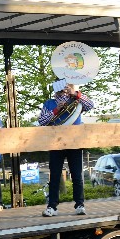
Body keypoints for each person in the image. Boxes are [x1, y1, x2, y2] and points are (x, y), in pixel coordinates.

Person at [38, 80, 95, 216]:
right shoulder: (49, 103)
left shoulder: (76, 100)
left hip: (74, 141)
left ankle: (80, 204)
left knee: (77, 175)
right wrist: (57, 110)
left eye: (64, 88)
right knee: (55, 175)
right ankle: (52, 206)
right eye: (60, 89)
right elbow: (42, 121)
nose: (62, 91)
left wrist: (75, 94)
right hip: (55, 142)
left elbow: (91, 105)